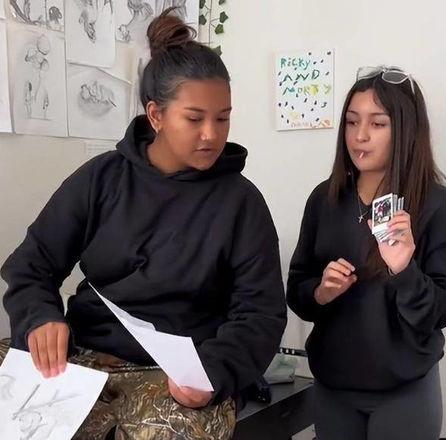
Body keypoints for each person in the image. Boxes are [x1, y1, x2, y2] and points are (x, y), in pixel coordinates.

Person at [1, 9, 286, 439]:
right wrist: (40, 317)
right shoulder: (101, 179)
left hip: (181, 377)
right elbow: (32, 265)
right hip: (85, 355)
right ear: (156, 116)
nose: (212, 134)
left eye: (223, 118)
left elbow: (260, 314)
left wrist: (214, 371)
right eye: (195, 118)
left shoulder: (242, 203)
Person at [286, 65, 446, 440]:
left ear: (406, 129)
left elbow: (441, 311)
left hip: (405, 391)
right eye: (352, 122)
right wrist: (321, 292)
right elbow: (298, 292)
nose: (360, 135)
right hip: (333, 388)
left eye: (378, 123)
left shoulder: (439, 206)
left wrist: (404, 270)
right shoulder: (324, 199)